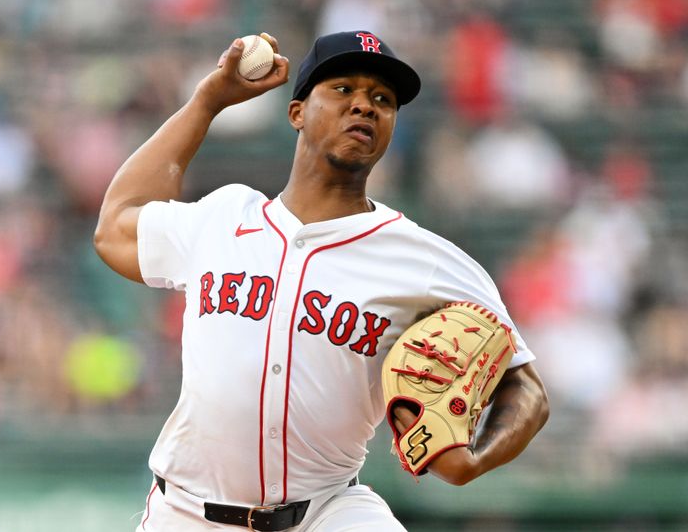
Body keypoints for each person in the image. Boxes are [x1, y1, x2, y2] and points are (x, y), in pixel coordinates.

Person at [94, 30, 549, 532]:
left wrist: (476, 459)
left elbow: (526, 386)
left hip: (327, 512)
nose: (365, 106)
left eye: (383, 99)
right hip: (186, 512)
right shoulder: (224, 218)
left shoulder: (423, 259)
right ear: (296, 113)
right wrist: (208, 102)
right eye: (343, 90)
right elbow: (116, 227)